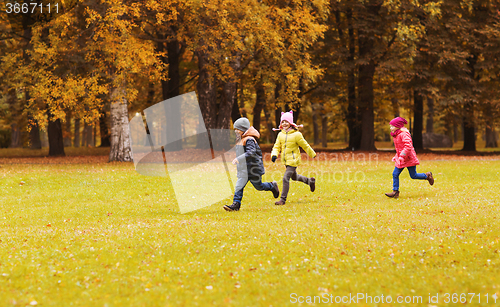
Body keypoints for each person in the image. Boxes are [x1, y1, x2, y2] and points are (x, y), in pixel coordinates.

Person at [224, 117, 280, 211]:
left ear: (243, 129)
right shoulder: (241, 139)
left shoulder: (249, 139)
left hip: (253, 169)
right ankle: (236, 205)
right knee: (239, 186)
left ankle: (272, 186)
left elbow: (251, 152)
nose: (236, 131)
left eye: (237, 129)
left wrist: (239, 158)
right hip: (244, 170)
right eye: (235, 129)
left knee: (259, 186)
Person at [271, 111, 316, 206]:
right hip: (286, 160)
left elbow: (305, 145)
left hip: (293, 160)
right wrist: (274, 155)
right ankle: (310, 181)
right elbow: (276, 146)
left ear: (290, 123)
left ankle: (282, 199)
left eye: (286, 121)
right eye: (282, 122)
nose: (284, 124)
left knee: (285, 178)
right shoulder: (280, 135)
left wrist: (312, 154)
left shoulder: (297, 134)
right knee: (294, 177)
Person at [385, 117, 434, 198]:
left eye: (392, 126)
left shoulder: (404, 134)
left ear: (398, 126)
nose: (391, 128)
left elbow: (408, 146)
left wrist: (402, 156)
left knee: (413, 175)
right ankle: (395, 191)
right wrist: (397, 156)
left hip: (408, 158)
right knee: (395, 174)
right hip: (401, 158)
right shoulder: (396, 135)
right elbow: (399, 148)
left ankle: (427, 176)